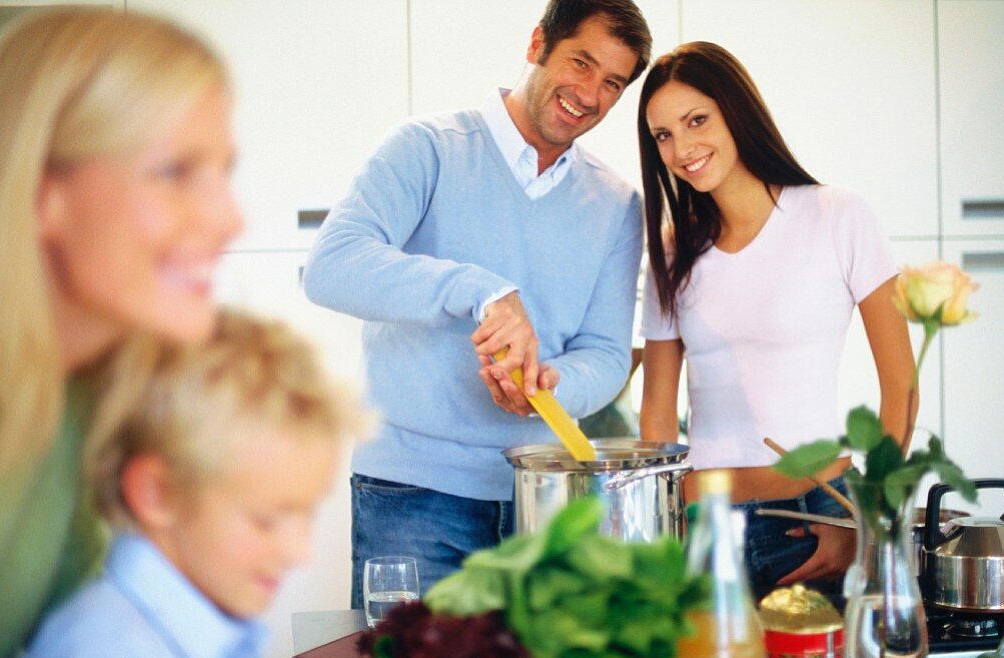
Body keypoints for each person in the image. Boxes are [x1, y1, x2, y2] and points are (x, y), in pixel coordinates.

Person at [303, 0, 652, 606]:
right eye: (581, 62)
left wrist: (550, 385)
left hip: (544, 507)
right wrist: (481, 290)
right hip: (410, 496)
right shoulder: (427, 148)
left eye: (613, 83)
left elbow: (606, 353)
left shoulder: (617, 204)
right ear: (537, 42)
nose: (590, 93)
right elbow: (331, 267)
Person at [0, 7, 242, 658]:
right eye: (175, 172)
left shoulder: (89, 394)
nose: (230, 218)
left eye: (223, 172)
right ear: (43, 193)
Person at [636, 42, 916, 593]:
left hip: (813, 521)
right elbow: (657, 419)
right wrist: (661, 531)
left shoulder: (838, 214)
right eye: (663, 135)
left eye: (697, 120)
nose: (682, 148)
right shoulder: (673, 250)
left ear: (736, 111)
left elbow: (901, 386)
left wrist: (860, 517)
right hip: (702, 526)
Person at [0, 308, 358, 658]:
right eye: (265, 521)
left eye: (306, 515)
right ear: (157, 493)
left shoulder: (211, 631)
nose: (300, 552)